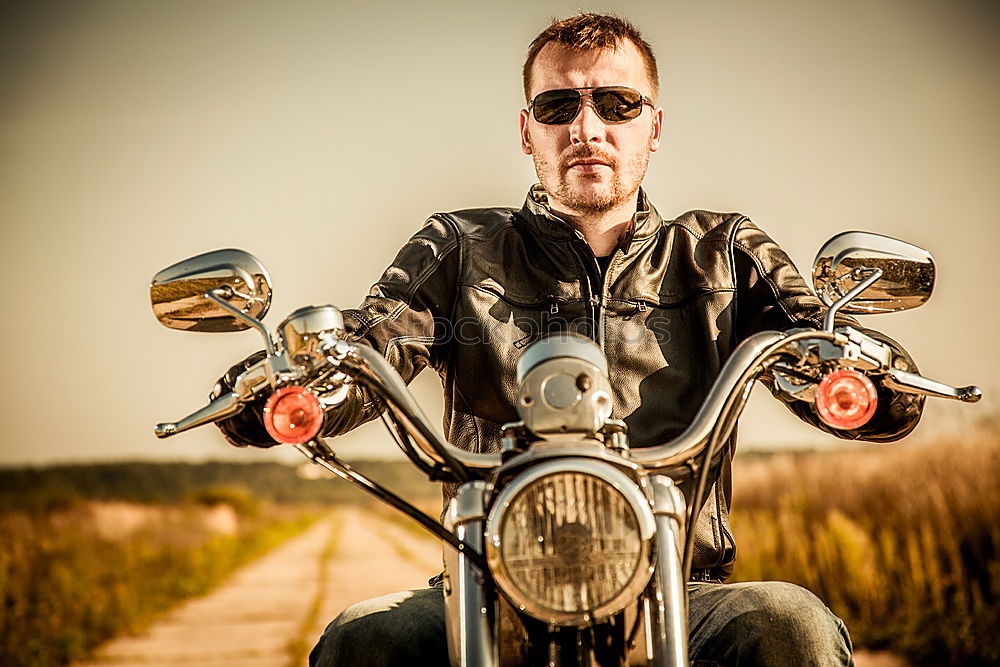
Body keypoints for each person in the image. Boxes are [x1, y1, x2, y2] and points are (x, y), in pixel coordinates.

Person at [216, 12, 923, 666]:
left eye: (617, 104)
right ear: (528, 130)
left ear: (655, 125)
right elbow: (373, 339)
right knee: (367, 637)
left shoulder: (720, 251)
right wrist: (294, 382)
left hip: (682, 586)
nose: (588, 127)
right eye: (559, 106)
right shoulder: (462, 246)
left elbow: (809, 337)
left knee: (788, 625)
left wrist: (855, 372)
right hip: (487, 578)